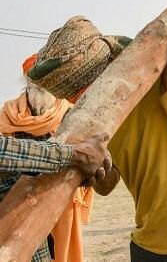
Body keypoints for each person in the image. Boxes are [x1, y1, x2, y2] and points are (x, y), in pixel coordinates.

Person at [28, 16, 167, 262]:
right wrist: (91, 167)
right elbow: (107, 184)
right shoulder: (93, 116)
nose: (82, 95)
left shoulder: (161, 72)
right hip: (147, 245)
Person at [0, 54, 96, 262]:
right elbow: (7, 153)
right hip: (18, 201)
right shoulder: (8, 114)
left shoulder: (69, 113)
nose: (39, 89)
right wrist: (71, 155)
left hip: (61, 198)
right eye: (34, 84)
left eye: (45, 84)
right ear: (27, 82)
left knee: (58, 251)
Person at [0, 128, 110, 262]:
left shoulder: (58, 112)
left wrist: (70, 176)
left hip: (31, 228)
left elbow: (8, 173)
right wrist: (75, 154)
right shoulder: (8, 118)